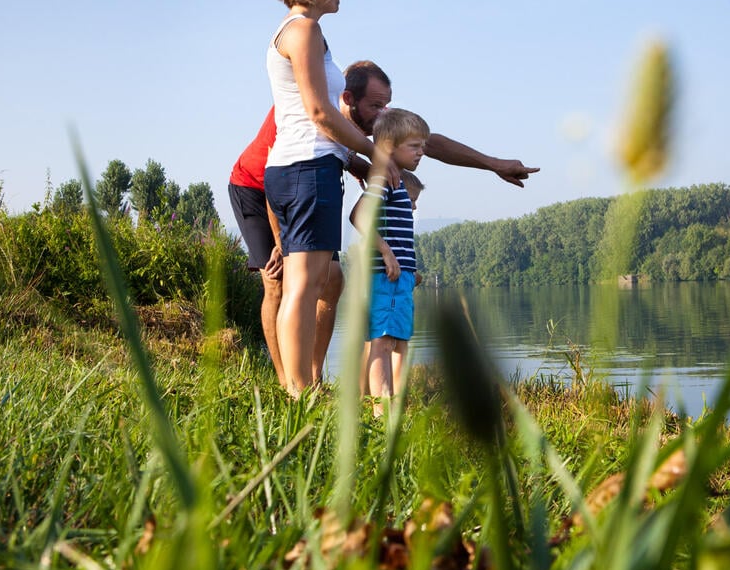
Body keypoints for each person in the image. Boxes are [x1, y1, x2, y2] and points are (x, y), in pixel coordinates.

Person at [231, 55, 539, 390]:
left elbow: (428, 141)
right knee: (278, 281)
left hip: (312, 186)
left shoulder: (372, 117)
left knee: (331, 281)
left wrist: (493, 164)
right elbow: (277, 171)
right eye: (376, 105)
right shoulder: (307, 104)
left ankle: (314, 378)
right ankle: (285, 382)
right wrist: (280, 242)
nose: (384, 114)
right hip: (257, 184)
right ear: (348, 99)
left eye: (387, 105)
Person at [263, 0, 377, 397]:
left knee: (304, 284)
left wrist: (355, 159)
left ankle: (301, 386)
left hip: (297, 169)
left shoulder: (300, 32)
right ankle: (298, 391)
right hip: (307, 169)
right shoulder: (303, 30)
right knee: (305, 288)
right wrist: (373, 153)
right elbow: (320, 113)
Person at [350, 109, 429, 410]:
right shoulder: (384, 180)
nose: (422, 152)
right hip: (385, 276)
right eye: (415, 146)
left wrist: (410, 270)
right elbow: (359, 216)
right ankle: (380, 407)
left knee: (400, 343)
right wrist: (385, 252)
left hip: (401, 277)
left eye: (423, 145)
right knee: (382, 341)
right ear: (389, 148)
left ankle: (397, 402)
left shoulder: (397, 182)